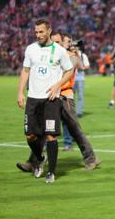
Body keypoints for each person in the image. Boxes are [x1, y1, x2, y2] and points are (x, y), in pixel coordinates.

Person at [16, 32, 101, 173]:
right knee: (43, 130)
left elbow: (68, 71)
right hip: (49, 96)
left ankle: (91, 158)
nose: (56, 43)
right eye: (54, 41)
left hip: (64, 96)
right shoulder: (54, 54)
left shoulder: (70, 56)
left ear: (64, 43)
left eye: (59, 41)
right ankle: (34, 162)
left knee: (74, 128)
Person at [17, 19, 74, 183]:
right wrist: (20, 92)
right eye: (36, 32)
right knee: (30, 135)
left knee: (51, 136)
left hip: (51, 99)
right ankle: (39, 158)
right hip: (33, 98)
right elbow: (25, 71)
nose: (38, 35)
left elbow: (69, 71)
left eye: (41, 32)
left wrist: (58, 85)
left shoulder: (59, 51)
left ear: (49, 31)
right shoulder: (30, 49)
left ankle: (51, 172)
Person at [73, 42, 90, 118]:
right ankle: (72, 111)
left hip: (80, 77)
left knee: (80, 96)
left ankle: (79, 112)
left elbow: (87, 65)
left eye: (76, 46)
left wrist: (82, 67)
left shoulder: (83, 55)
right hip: (71, 78)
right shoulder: (70, 54)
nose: (74, 47)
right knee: (70, 96)